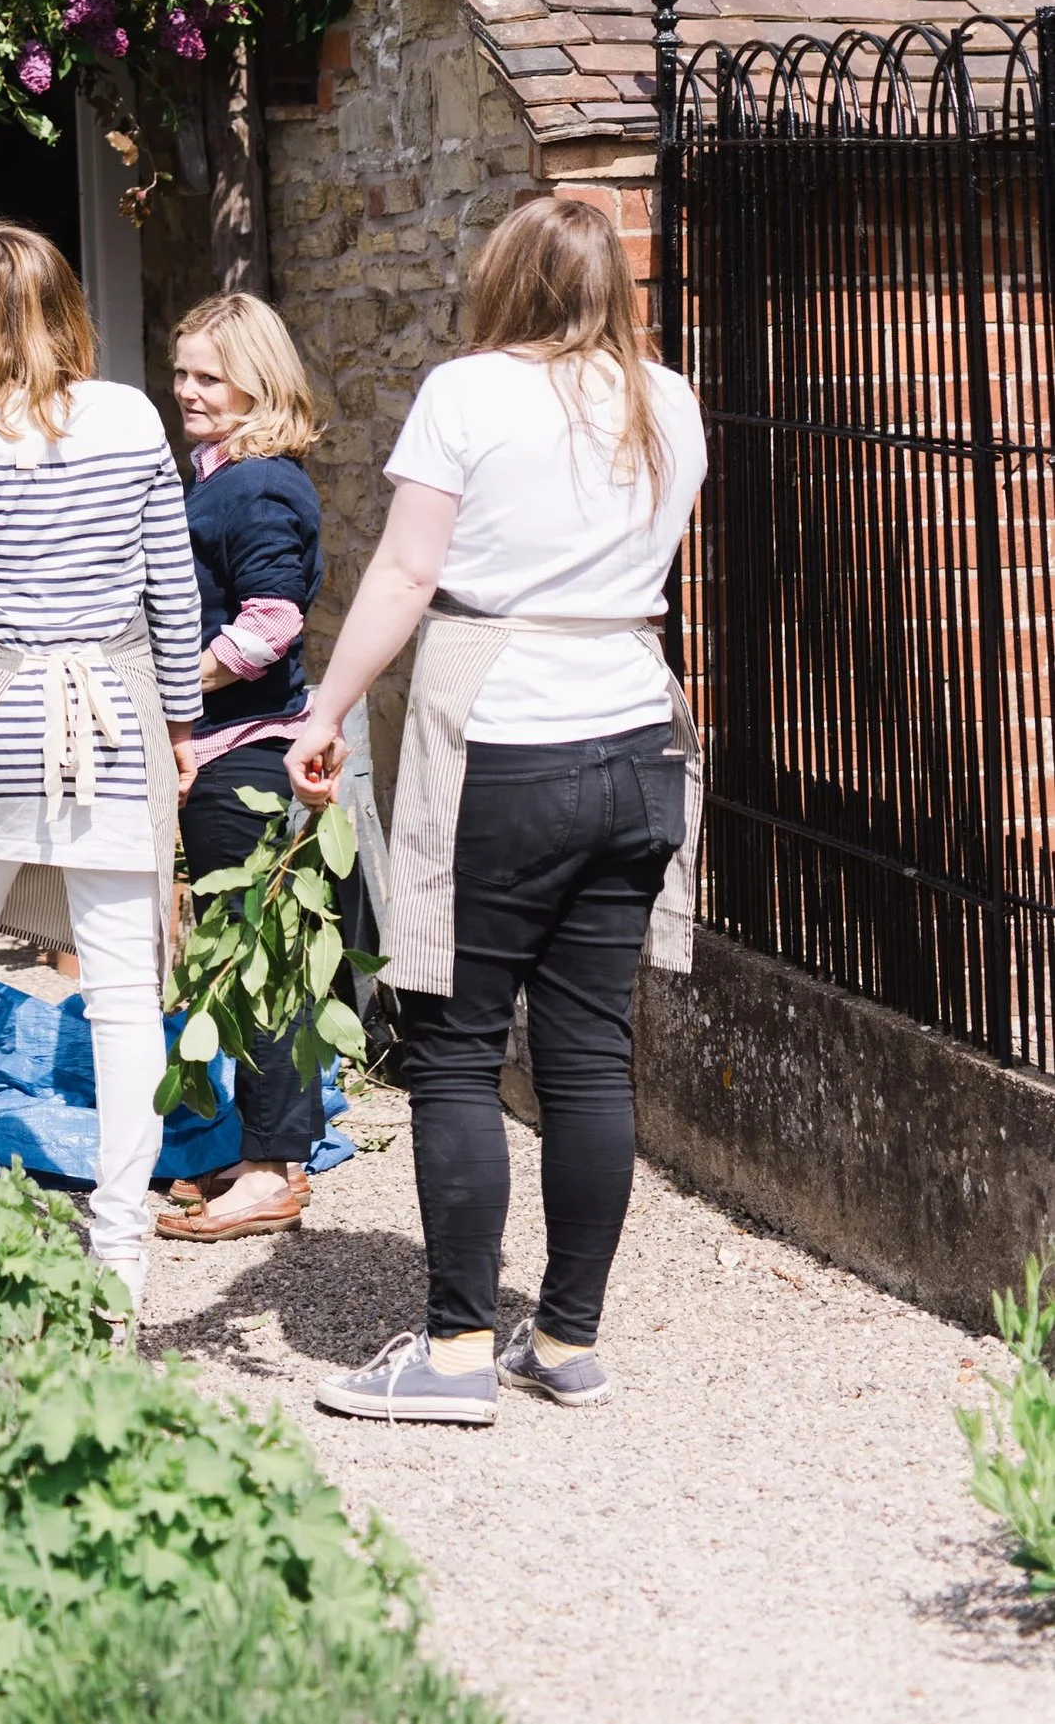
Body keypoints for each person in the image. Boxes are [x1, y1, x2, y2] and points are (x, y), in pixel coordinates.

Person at [289, 193, 706, 1427]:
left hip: (507, 742)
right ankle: (567, 1337)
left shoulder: (467, 392)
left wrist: (324, 710)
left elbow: (411, 572)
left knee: (457, 1044)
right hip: (638, 735)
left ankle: (457, 1351)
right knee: (586, 1051)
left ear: (507, 280)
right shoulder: (669, 401)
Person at [0, 220, 203, 1319]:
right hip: (116, 718)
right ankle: (120, 1250)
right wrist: (181, 718)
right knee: (125, 993)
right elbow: (173, 581)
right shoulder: (129, 418)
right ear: (71, 305)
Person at [156, 292, 332, 1246]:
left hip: (243, 753)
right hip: (230, 747)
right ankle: (261, 1151)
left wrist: (172, 695)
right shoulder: (226, 477)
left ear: (256, 384)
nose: (185, 388)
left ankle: (271, 1170)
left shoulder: (258, 484)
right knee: (238, 955)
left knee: (262, 967)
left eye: (206, 375)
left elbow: (271, 622)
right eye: (180, 371)